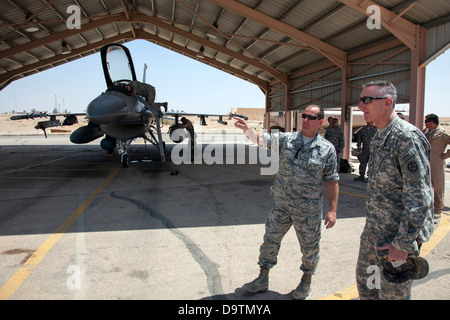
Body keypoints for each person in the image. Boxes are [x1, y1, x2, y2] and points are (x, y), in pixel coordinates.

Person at [233, 105, 339, 300]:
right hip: (281, 205)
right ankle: (262, 278)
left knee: (310, 248)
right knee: (270, 241)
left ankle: (306, 281)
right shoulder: (287, 140)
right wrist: (247, 129)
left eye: (311, 117)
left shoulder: (327, 149)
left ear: (320, 122)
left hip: (308, 211)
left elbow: (332, 180)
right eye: (304, 116)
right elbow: (261, 139)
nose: (305, 119)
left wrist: (332, 210)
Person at [355, 80, 434, 300]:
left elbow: (420, 198)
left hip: (394, 242)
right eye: (361, 100)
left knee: (392, 296)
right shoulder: (379, 134)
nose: (361, 106)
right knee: (368, 289)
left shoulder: (406, 138)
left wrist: (403, 244)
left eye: (367, 100)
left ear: (387, 103)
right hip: (373, 237)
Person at [423, 113, 450, 220]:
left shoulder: (442, 133)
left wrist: (446, 155)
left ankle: (438, 208)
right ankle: (427, 207)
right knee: (426, 186)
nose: (425, 124)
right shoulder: (425, 131)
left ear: (432, 123)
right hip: (425, 162)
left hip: (436, 163)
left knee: (438, 186)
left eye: (427, 122)